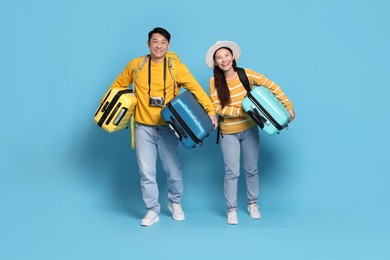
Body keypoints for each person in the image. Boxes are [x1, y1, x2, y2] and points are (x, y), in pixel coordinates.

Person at [107, 27, 218, 227]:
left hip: (168, 128)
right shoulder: (137, 65)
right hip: (143, 128)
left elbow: (195, 88)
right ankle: (152, 210)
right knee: (146, 172)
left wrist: (210, 111)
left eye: (163, 42)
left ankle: (175, 203)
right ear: (149, 43)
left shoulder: (175, 67)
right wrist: (118, 105)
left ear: (168, 45)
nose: (159, 45)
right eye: (155, 41)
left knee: (173, 169)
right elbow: (117, 86)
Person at [205, 41, 295, 225]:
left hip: (250, 130)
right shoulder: (214, 82)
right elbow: (218, 108)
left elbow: (272, 86)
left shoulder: (246, 74)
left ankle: (253, 204)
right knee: (232, 172)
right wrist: (246, 109)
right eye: (219, 57)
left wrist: (288, 107)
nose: (223, 60)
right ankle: (231, 210)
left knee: (252, 169)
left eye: (226, 55)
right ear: (215, 62)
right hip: (228, 133)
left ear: (233, 57)